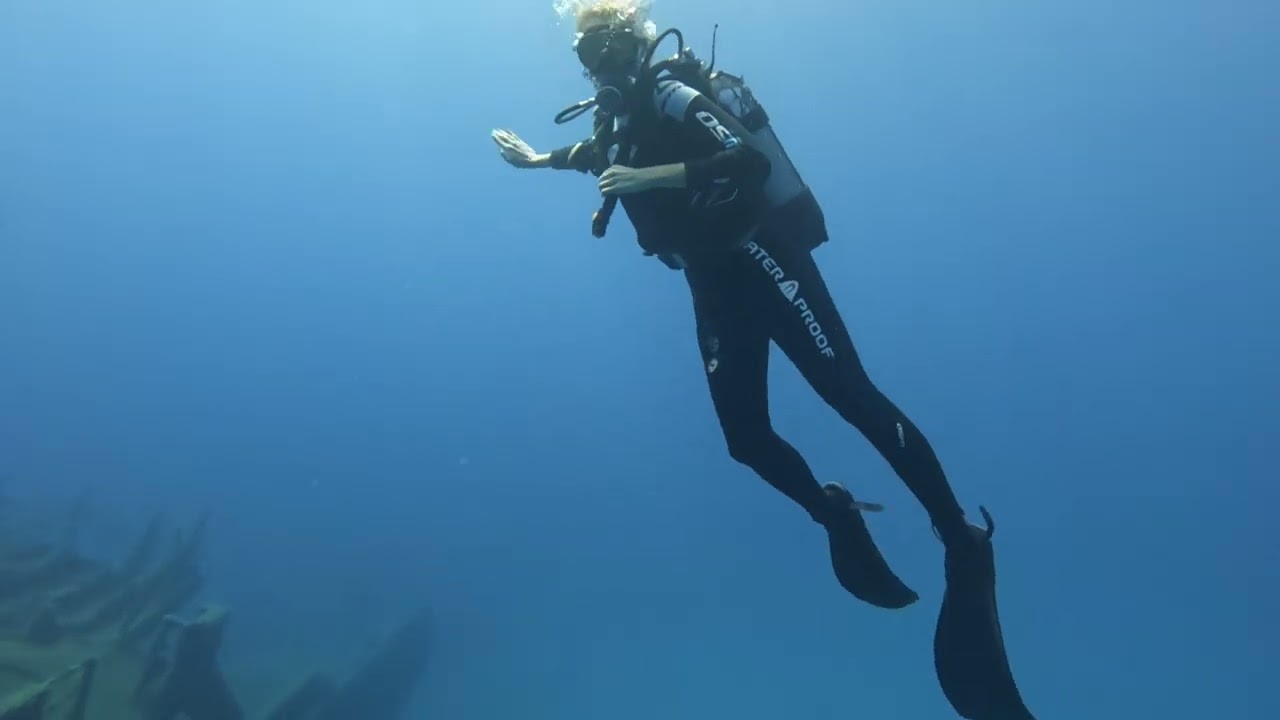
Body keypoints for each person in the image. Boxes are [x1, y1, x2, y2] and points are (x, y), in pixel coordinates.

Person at [492, 2, 1035, 717]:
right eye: (586, 55)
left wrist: (651, 179)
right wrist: (537, 159)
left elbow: (744, 159)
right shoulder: (617, 118)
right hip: (710, 283)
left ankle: (960, 541)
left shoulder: (671, 90)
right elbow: (599, 157)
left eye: (605, 48)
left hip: (760, 257)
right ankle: (833, 512)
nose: (598, 65)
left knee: (850, 395)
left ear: (633, 40)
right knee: (744, 439)